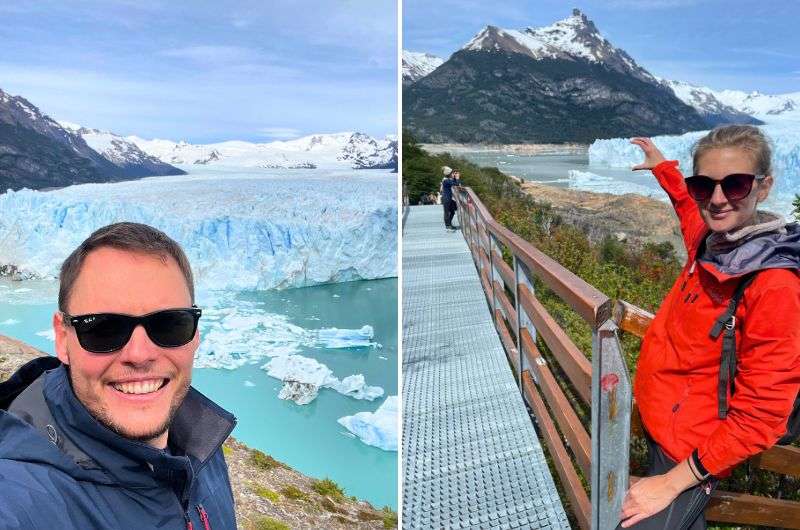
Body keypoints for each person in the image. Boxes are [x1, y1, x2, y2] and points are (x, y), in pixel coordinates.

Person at [619, 126, 800, 529]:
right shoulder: (709, 241)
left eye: (734, 185)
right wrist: (663, 169)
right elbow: (687, 205)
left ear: (763, 187)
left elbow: (762, 415)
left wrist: (670, 482)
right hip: (657, 420)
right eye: (705, 185)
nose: (717, 200)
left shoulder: (774, 286)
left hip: (691, 453)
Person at [0, 222, 237, 529]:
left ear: (195, 334)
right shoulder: (22, 499)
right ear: (62, 338)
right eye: (102, 328)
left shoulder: (202, 444)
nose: (139, 355)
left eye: (170, 324)